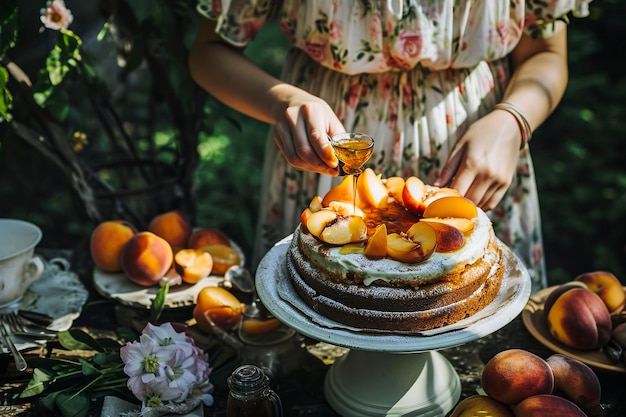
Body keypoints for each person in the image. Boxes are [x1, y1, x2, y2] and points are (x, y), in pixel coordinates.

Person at [189, 0, 592, 292]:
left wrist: (513, 121)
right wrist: (283, 102)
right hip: (328, 142)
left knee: (469, 299)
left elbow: (545, 52)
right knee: (329, 296)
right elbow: (210, 51)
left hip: (479, 146)